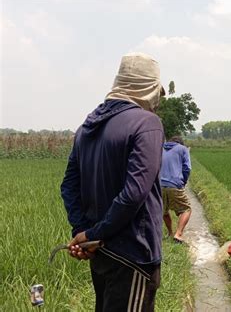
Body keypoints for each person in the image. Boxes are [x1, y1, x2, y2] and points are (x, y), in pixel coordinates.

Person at [61, 52, 166, 311]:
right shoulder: (147, 123)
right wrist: (92, 234)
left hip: (100, 252)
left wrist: (82, 232)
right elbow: (133, 194)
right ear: (147, 89)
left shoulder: (87, 127)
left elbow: (69, 186)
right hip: (133, 254)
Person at [160, 135, 192, 243]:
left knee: (164, 210)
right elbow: (187, 168)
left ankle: (170, 233)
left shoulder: (160, 148)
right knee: (186, 209)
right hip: (174, 184)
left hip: (160, 185)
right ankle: (178, 234)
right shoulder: (183, 149)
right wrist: (183, 182)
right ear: (180, 143)